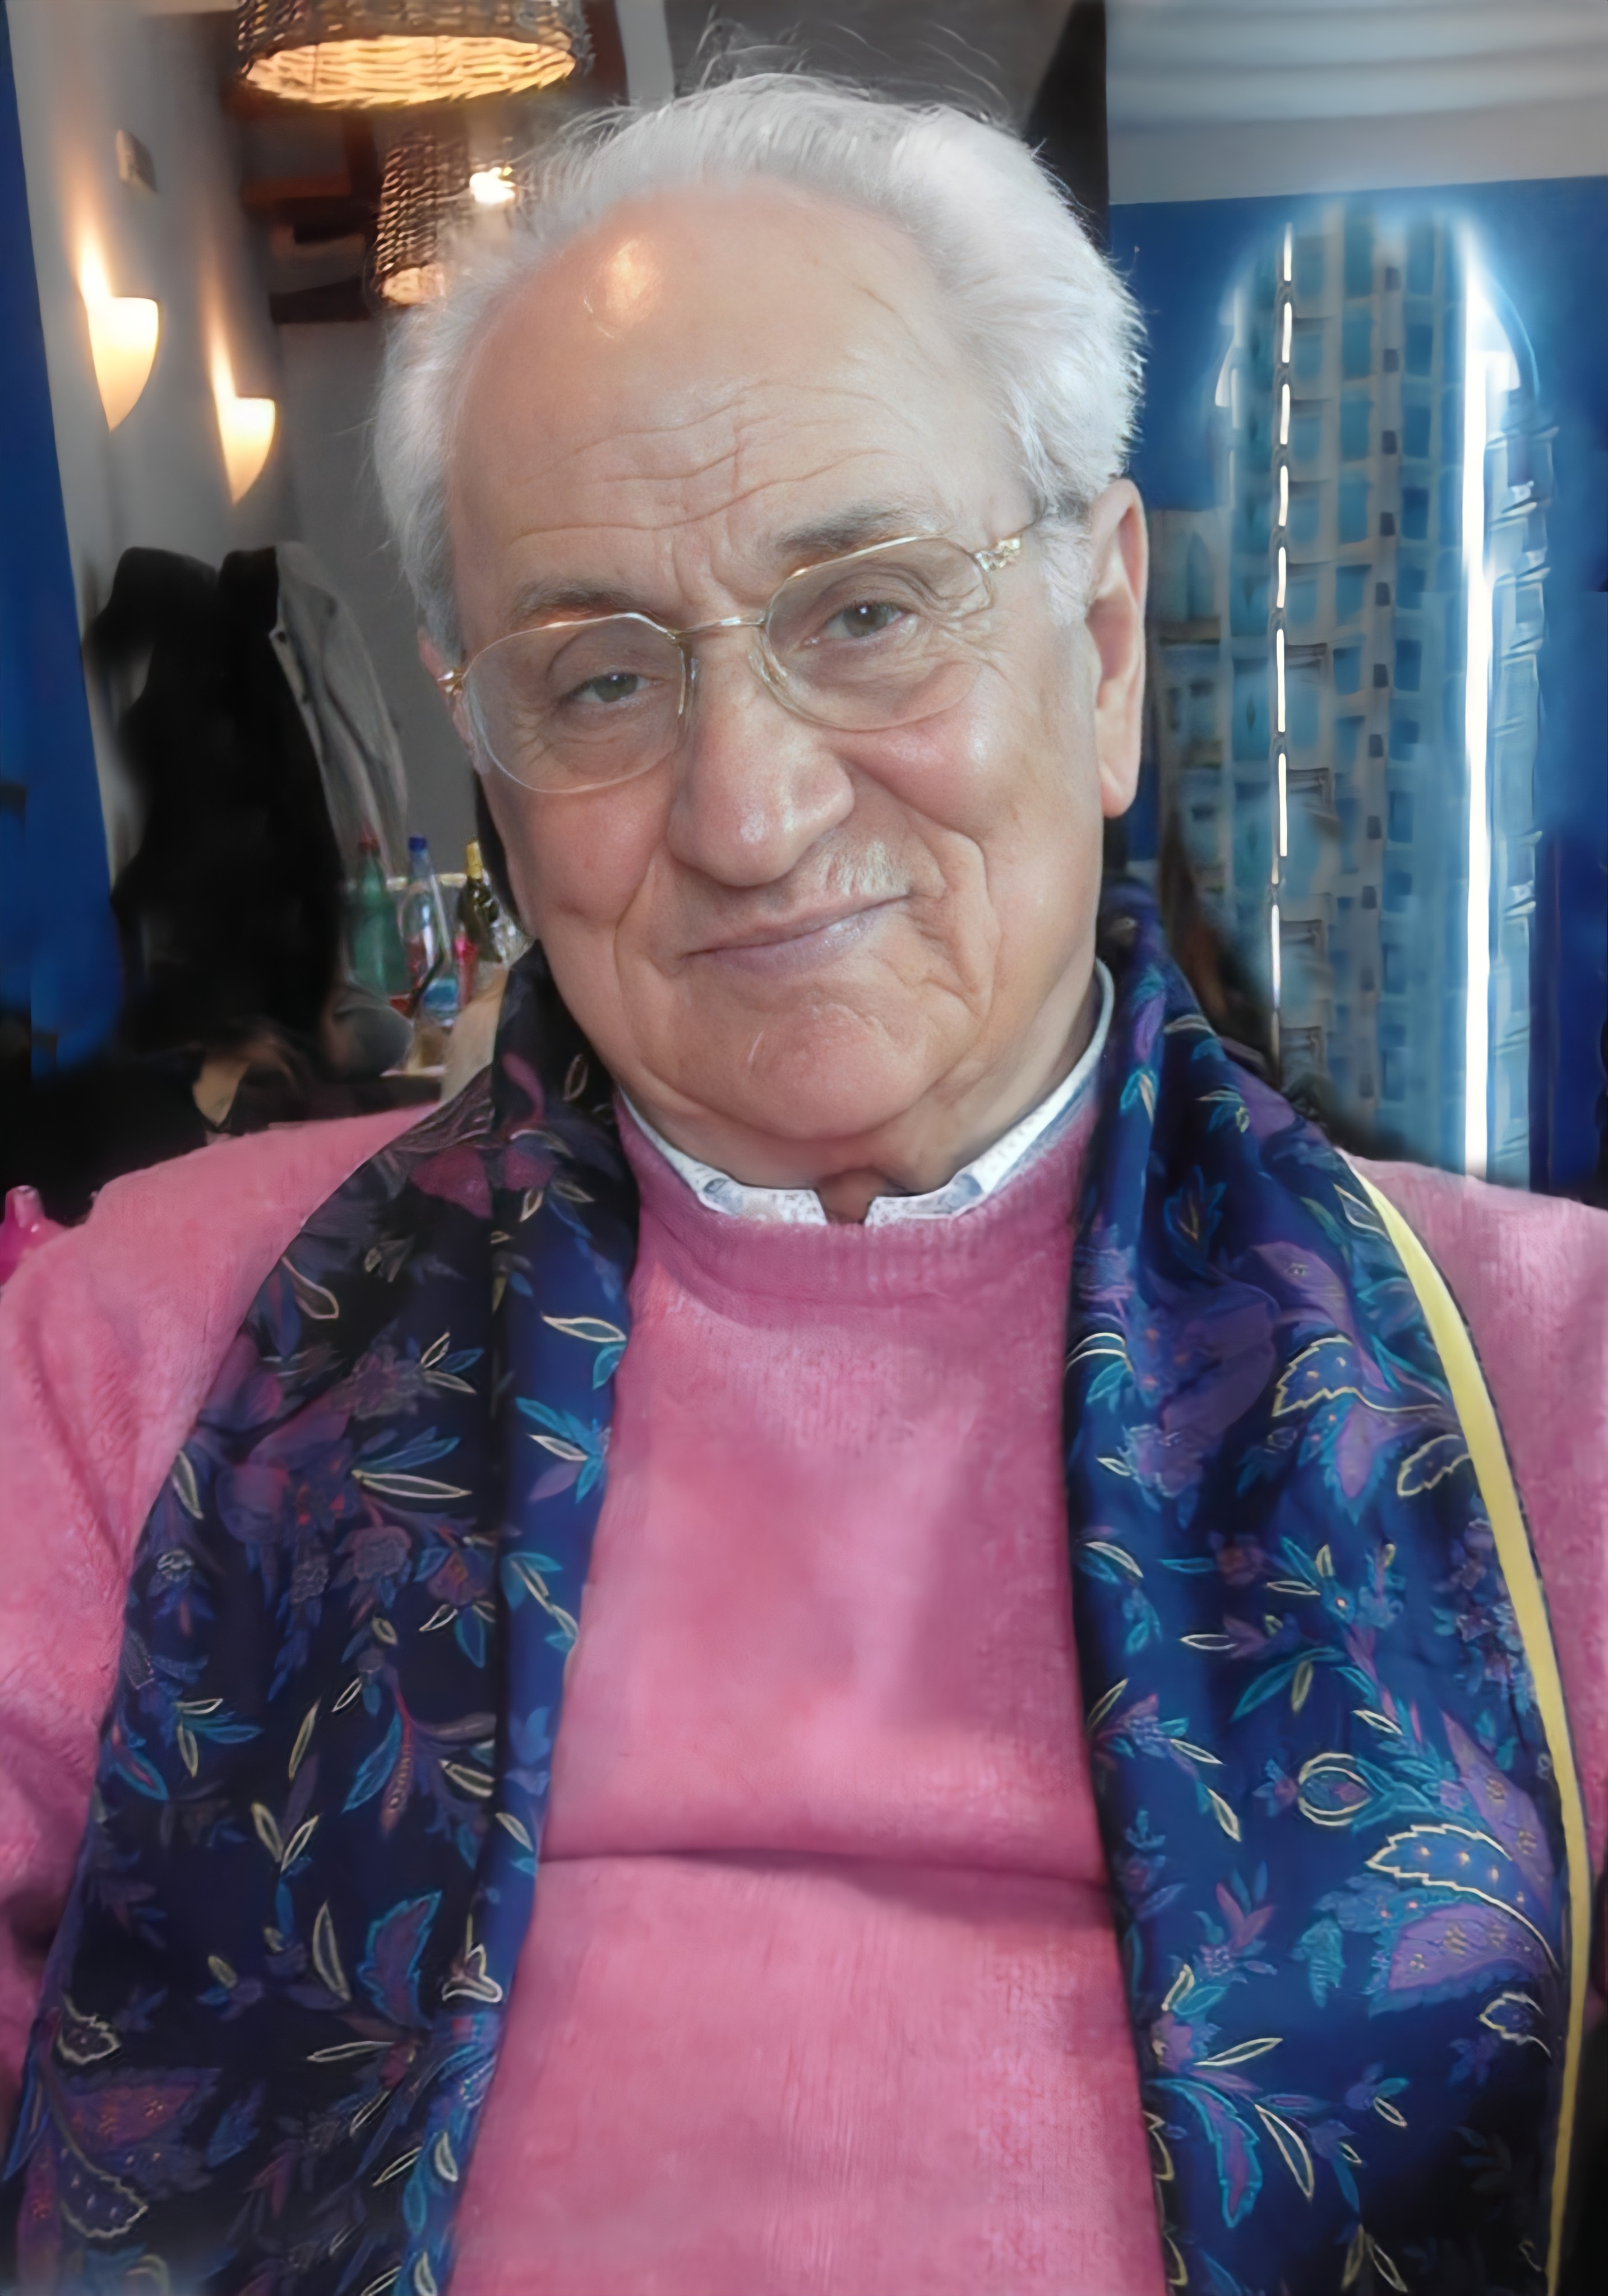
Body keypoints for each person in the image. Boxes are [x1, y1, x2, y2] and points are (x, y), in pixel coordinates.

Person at [0, 74, 1604, 2296]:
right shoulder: (140, 1345)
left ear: (1103, 647)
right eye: (599, 676)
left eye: (863, 610)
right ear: (494, 770)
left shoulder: (1545, 1382)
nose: (746, 813)